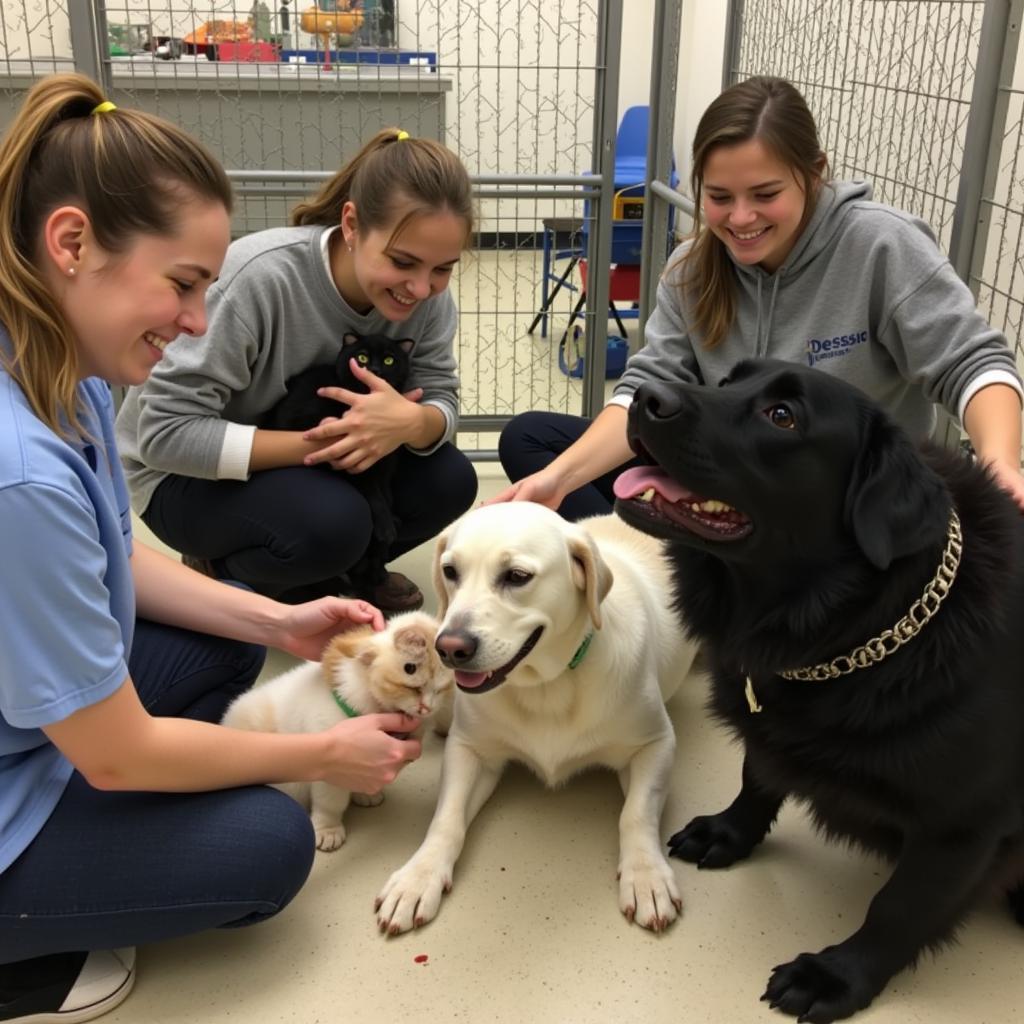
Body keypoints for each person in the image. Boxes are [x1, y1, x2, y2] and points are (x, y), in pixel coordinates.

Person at [0, 74, 423, 1024]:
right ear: (70, 244)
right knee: (269, 845)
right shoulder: (17, 471)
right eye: (184, 284)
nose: (197, 320)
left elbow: (112, 556)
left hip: (35, 729)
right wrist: (331, 751)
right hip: (31, 785)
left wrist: (284, 619)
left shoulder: (65, 376)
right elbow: (115, 757)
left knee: (234, 646)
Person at [496, 76, 1024, 518]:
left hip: (839, 503)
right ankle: (640, 580)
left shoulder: (881, 245)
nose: (741, 219)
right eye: (719, 197)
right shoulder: (691, 268)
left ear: (814, 174)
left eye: (766, 195)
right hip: (730, 474)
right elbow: (646, 385)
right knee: (532, 441)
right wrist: (558, 480)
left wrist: (1000, 460)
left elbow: (972, 363)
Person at [115, 127, 479, 612]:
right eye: (402, 261)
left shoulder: (428, 296)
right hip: (183, 478)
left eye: (443, 268)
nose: (420, 287)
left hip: (310, 464)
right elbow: (163, 435)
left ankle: (346, 572)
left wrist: (414, 423)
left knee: (450, 480)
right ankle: (225, 574)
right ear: (351, 225)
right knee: (334, 522)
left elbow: (441, 399)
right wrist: (332, 443)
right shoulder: (259, 279)